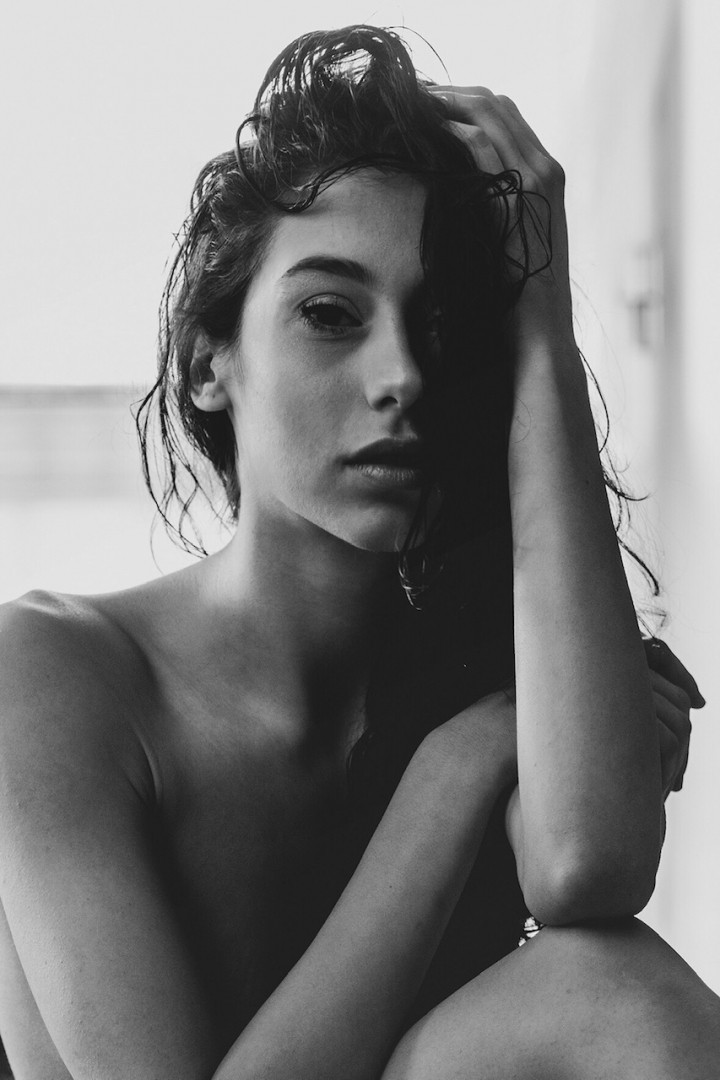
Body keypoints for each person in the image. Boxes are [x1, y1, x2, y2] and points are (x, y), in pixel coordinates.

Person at [0, 23, 717, 1080]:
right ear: (207, 362)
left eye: (443, 326)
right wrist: (461, 765)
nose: (402, 376)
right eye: (331, 314)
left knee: (616, 990)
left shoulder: (485, 658)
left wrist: (540, 326)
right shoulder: (55, 671)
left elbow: (589, 869)